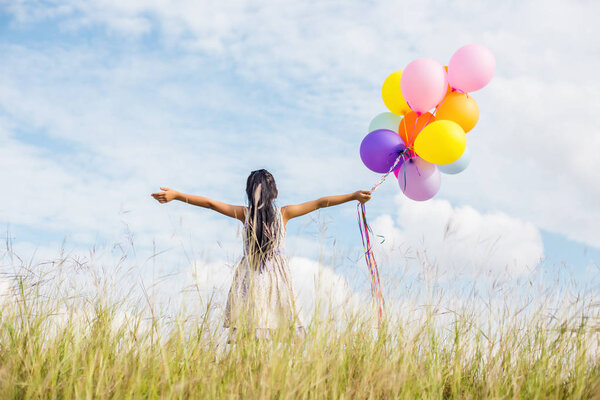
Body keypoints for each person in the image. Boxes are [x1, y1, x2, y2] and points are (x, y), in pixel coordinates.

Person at [151, 169, 371, 341]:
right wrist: (352, 196)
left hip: (250, 278)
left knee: (249, 334)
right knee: (283, 330)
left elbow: (210, 204)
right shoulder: (284, 213)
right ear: (274, 192)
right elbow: (320, 203)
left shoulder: (244, 214)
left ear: (249, 193)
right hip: (277, 280)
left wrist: (177, 195)